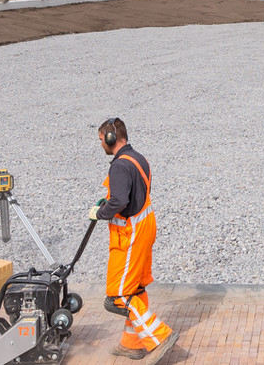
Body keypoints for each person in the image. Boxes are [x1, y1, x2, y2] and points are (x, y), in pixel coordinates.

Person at [89, 117, 178, 360]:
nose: (100, 145)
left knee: (118, 297)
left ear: (110, 139)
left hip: (130, 234)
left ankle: (160, 336)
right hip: (146, 225)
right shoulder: (139, 158)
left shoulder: (118, 166)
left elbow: (119, 201)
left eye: (101, 140)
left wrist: (100, 213)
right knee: (136, 289)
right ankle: (132, 343)